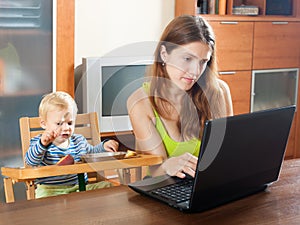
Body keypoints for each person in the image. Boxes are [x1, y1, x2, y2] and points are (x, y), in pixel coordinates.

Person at [127, 15, 233, 179]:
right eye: (187, 59)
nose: (195, 71)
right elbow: (156, 170)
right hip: (164, 185)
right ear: (164, 54)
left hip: (209, 183)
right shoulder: (140, 103)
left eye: (203, 61)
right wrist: (168, 165)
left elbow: (227, 152)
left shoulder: (219, 92)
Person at [25, 91, 119, 198]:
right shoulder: (39, 142)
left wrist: (103, 147)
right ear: (43, 124)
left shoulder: (79, 141)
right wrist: (42, 144)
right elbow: (30, 161)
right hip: (51, 190)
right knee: (42, 197)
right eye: (59, 123)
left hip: (80, 187)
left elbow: (92, 154)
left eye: (70, 123)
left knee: (107, 186)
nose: (66, 128)